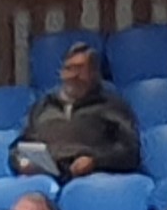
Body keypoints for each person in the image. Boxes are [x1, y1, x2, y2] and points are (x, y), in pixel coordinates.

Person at [11, 43, 141, 181]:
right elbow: (17, 148)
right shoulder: (43, 107)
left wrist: (96, 161)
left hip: (91, 177)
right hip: (43, 177)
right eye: (68, 69)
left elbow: (131, 152)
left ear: (94, 74)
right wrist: (21, 163)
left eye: (79, 69)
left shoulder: (112, 106)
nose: (72, 76)